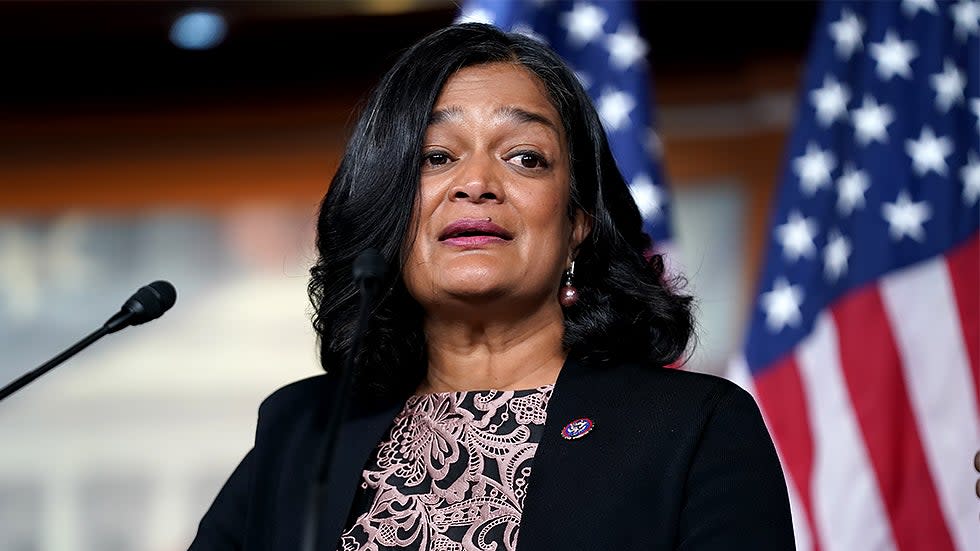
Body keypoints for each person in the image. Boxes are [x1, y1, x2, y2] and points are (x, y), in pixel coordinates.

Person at [189, 23, 795, 551]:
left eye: (525, 157)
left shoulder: (692, 429)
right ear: (389, 210)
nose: (475, 182)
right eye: (435, 156)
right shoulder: (302, 430)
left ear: (578, 224)